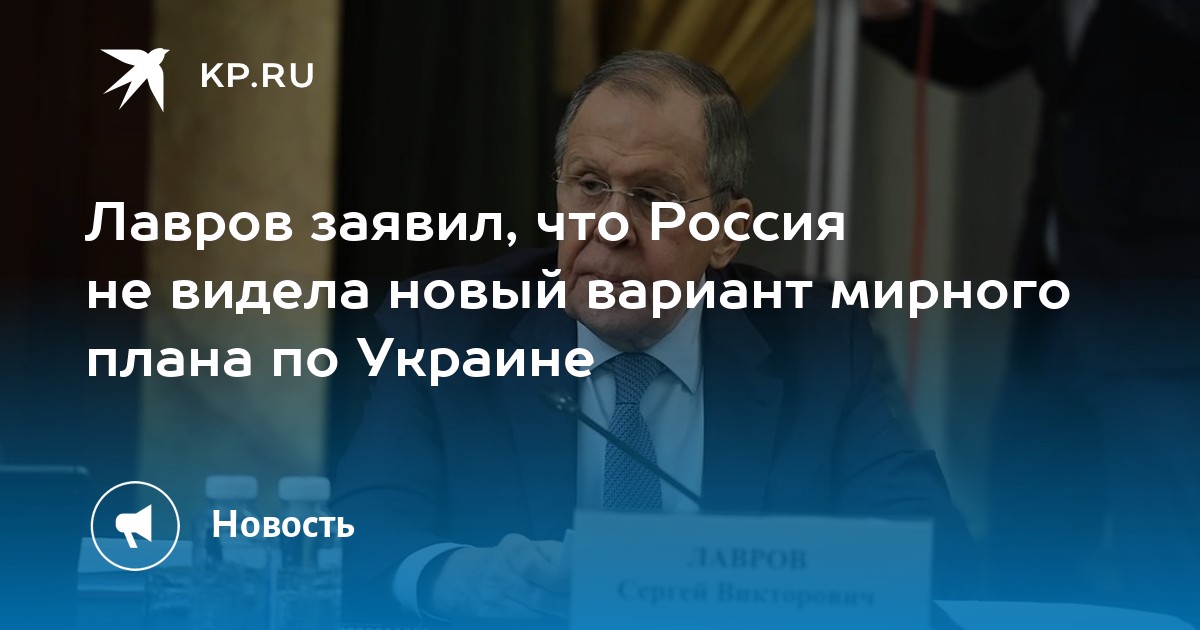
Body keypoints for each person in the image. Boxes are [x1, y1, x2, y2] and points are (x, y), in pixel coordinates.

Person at [333, 50, 975, 624]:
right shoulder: (445, 328)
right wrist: (451, 579)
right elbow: (359, 534)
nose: (611, 226)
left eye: (653, 197)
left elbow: (934, 555)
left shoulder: (818, 343)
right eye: (589, 186)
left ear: (725, 233)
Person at [861, 0, 1200, 623]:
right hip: (1054, 317)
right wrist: (896, 18)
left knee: (1166, 550)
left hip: (1161, 321)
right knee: (1030, 545)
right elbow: (981, 50)